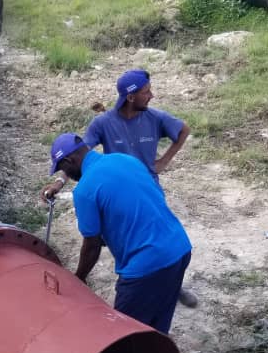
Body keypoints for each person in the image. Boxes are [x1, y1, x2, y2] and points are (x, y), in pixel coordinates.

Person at [42, 69, 197, 307]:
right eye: (146, 92)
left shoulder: (155, 118)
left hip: (147, 188)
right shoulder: (103, 123)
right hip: (111, 193)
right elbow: (78, 154)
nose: (152, 96)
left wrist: (164, 161)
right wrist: (60, 181)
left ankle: (171, 284)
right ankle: (139, 274)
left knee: (153, 233)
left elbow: (183, 130)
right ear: (131, 97)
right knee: (124, 237)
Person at [49, 132, 191, 335]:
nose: (67, 175)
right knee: (158, 324)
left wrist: (79, 278)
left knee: (123, 334)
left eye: (63, 169)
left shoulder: (84, 191)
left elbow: (92, 246)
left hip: (146, 267)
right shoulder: (125, 159)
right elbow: (150, 198)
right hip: (179, 249)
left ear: (69, 160)